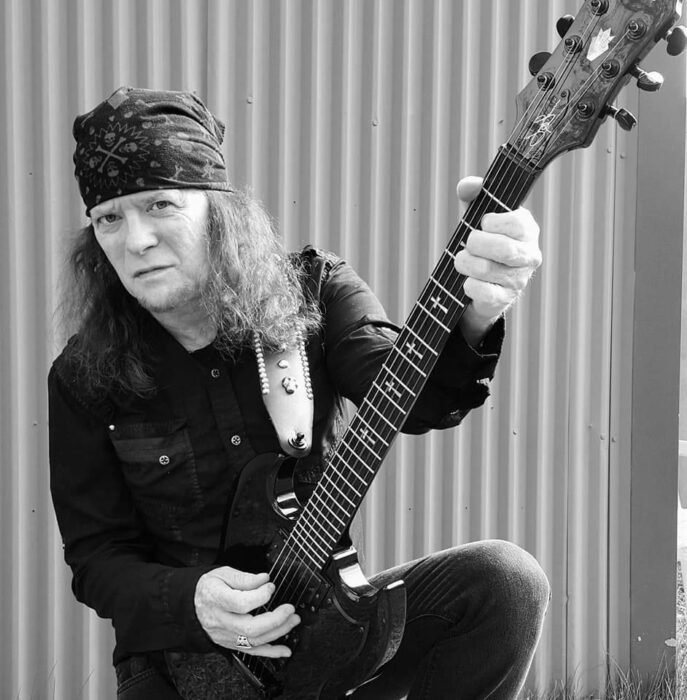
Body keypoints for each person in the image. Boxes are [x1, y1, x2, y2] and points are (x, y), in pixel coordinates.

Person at [49, 86, 550, 700]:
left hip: (327, 626)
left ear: (218, 210)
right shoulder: (83, 375)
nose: (136, 241)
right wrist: (191, 600)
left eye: (160, 205)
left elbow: (414, 397)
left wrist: (475, 313)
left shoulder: (312, 294)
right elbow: (97, 559)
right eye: (109, 218)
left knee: (504, 582)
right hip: (182, 666)